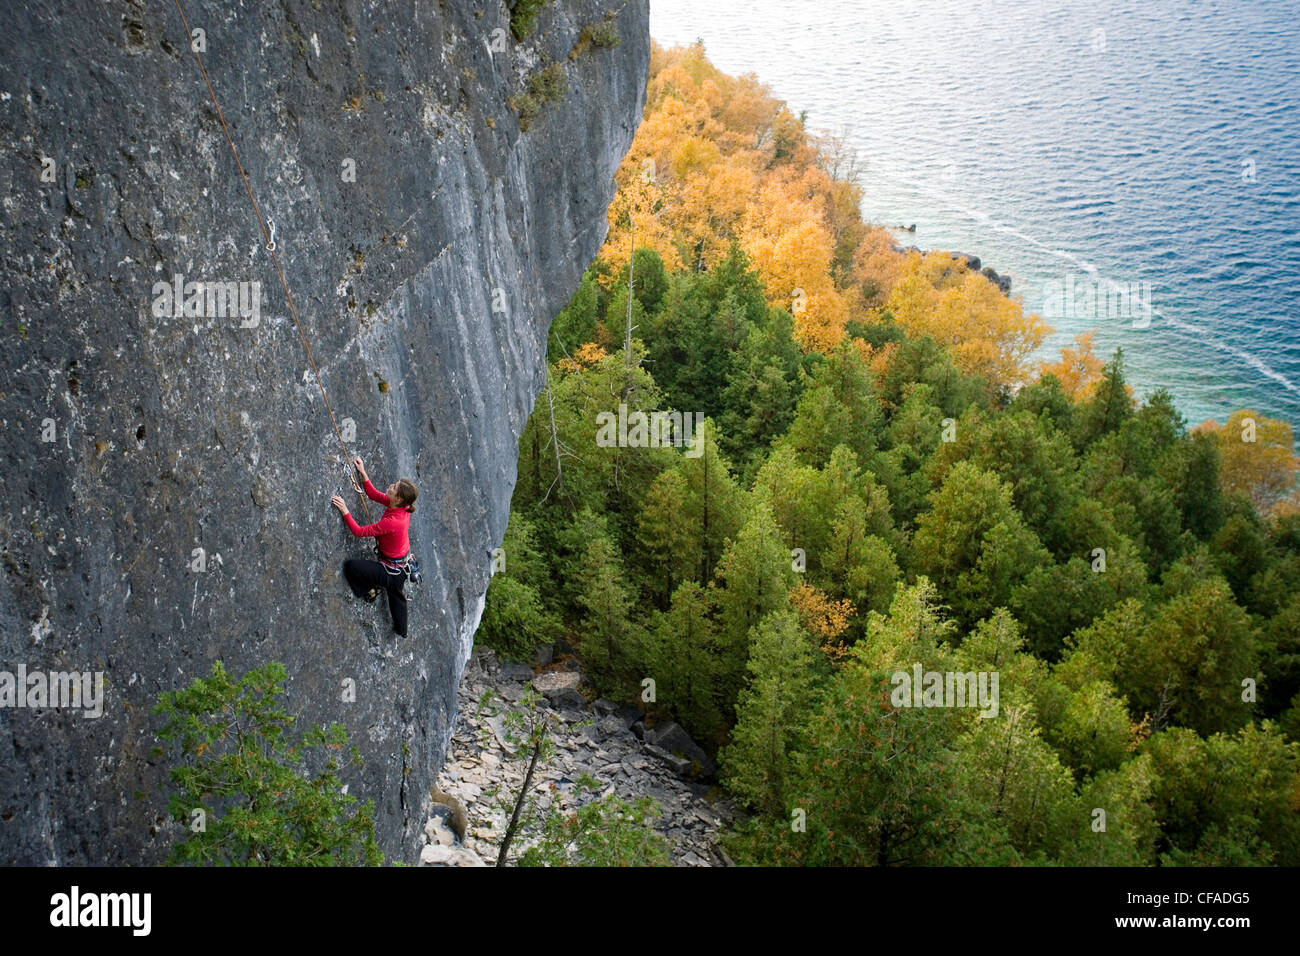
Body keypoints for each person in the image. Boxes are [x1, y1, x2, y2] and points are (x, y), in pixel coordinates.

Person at [331, 457, 418, 637]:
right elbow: (373, 494)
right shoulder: (402, 507)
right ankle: (402, 631)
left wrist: (345, 510)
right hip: (401, 566)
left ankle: (370, 589)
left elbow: (358, 531)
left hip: (391, 571)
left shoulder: (393, 522)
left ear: (399, 498)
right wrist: (362, 472)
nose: (391, 486)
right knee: (396, 597)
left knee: (351, 567)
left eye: (394, 487)